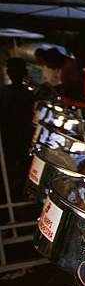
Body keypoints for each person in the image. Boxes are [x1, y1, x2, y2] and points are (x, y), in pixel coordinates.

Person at [0, 58, 35, 193]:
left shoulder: (8, 92)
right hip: (13, 135)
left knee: (16, 164)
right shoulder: (27, 93)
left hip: (16, 135)